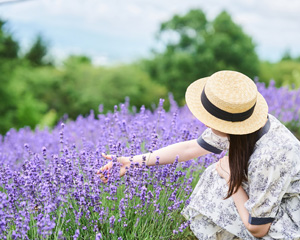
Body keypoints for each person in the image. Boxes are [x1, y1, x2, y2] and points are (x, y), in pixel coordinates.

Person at [98, 70, 300, 239]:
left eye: (210, 118)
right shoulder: (244, 126)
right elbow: (189, 149)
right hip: (271, 193)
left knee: (221, 176)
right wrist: (132, 162)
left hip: (290, 218)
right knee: (215, 175)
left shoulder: (271, 155)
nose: (205, 122)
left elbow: (258, 228)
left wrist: (233, 182)